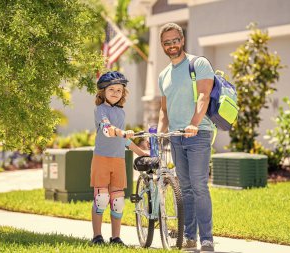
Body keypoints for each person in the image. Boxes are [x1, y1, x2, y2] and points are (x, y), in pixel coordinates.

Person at [157, 23, 215, 252]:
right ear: (162, 45)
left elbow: (204, 95)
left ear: (182, 40)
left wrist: (194, 123)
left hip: (198, 133)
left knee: (199, 186)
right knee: (185, 188)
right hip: (176, 137)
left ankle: (207, 239)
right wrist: (161, 132)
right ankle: (190, 236)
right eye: (166, 42)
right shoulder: (163, 75)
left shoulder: (198, 63)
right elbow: (164, 109)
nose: (171, 45)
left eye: (175, 40)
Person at [90, 71, 149, 245]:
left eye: (119, 90)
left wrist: (140, 152)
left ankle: (115, 238)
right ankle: (97, 237)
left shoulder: (121, 113)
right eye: (111, 89)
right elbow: (107, 129)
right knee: (101, 199)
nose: (116, 93)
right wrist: (121, 132)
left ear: (123, 93)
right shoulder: (100, 110)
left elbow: (124, 140)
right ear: (103, 92)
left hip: (119, 161)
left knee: (118, 201)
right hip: (102, 159)